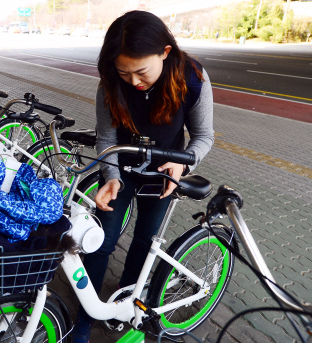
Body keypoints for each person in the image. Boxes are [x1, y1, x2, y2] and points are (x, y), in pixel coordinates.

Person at [72, 11, 214, 343]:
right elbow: (106, 138)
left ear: (165, 52)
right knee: (99, 243)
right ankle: (84, 315)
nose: (134, 82)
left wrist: (184, 165)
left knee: (146, 242)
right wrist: (110, 176)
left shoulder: (192, 78)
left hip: (163, 176)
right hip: (120, 172)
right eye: (125, 72)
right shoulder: (110, 81)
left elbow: (204, 136)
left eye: (142, 71)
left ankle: (124, 301)